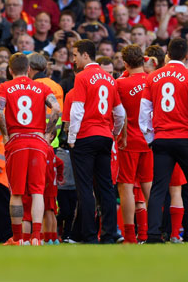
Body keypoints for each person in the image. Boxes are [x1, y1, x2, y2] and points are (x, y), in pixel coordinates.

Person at [139, 37, 188, 243]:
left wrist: (150, 137)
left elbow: (144, 111)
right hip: (187, 139)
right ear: (187, 55)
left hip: (162, 139)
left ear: (167, 54)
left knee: (158, 188)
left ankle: (153, 234)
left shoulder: (153, 77)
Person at [0, 53, 60, 246]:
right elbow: (56, 109)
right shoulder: (41, 87)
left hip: (17, 142)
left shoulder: (4, 87)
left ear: (10, 70)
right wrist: (47, 133)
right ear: (29, 69)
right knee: (38, 192)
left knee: (16, 193)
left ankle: (18, 238)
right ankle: (36, 238)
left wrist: (6, 135)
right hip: (38, 142)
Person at [67, 39, 125, 243]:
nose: (73, 60)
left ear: (85, 55)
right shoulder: (109, 79)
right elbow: (119, 113)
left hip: (85, 136)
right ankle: (109, 234)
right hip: (105, 136)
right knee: (106, 187)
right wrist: (114, 132)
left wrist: (71, 138)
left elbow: (77, 110)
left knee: (85, 188)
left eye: (75, 55)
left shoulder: (82, 77)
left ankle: (89, 235)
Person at [116, 44, 152, 244]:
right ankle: (152, 233)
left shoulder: (120, 84)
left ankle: (130, 236)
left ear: (125, 63)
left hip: (127, 141)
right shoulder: (153, 80)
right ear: (143, 60)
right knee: (149, 188)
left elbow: (117, 115)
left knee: (126, 188)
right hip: (150, 140)